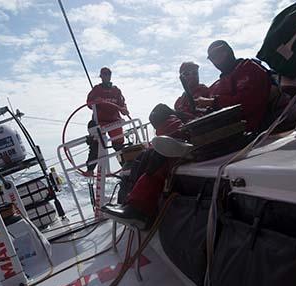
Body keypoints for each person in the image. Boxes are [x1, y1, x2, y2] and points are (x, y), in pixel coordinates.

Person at [103, 41, 276, 227]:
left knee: (159, 150)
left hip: (238, 132)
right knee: (150, 154)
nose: (218, 60)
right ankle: (134, 203)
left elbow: (248, 102)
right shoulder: (216, 85)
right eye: (213, 57)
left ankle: (140, 207)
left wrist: (212, 103)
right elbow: (208, 112)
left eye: (220, 53)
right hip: (212, 130)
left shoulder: (247, 69)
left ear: (229, 51)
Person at [83, 67, 129, 177]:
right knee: (96, 144)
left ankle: (126, 166)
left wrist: (124, 109)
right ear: (101, 76)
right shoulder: (96, 89)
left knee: (118, 145)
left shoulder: (116, 90)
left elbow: (122, 104)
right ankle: (90, 169)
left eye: (108, 74)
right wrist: (95, 101)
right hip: (100, 122)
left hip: (114, 121)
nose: (106, 76)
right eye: (104, 74)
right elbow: (89, 103)